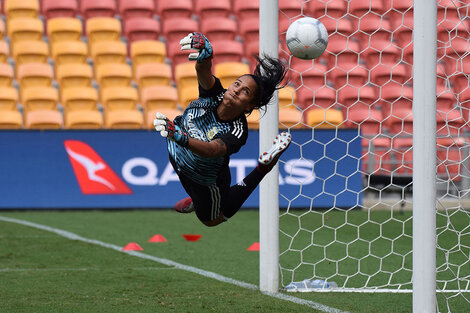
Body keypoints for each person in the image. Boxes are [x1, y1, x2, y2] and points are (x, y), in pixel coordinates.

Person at [154, 32, 291, 227]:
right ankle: (195, 201)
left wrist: (180, 136)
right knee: (198, 196)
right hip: (181, 160)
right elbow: (203, 72)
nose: (236, 89)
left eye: (246, 92)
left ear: (249, 107)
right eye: (237, 84)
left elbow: (212, 150)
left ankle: (263, 167)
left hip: (206, 181)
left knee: (213, 220)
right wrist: (206, 55)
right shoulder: (214, 94)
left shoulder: (237, 131)